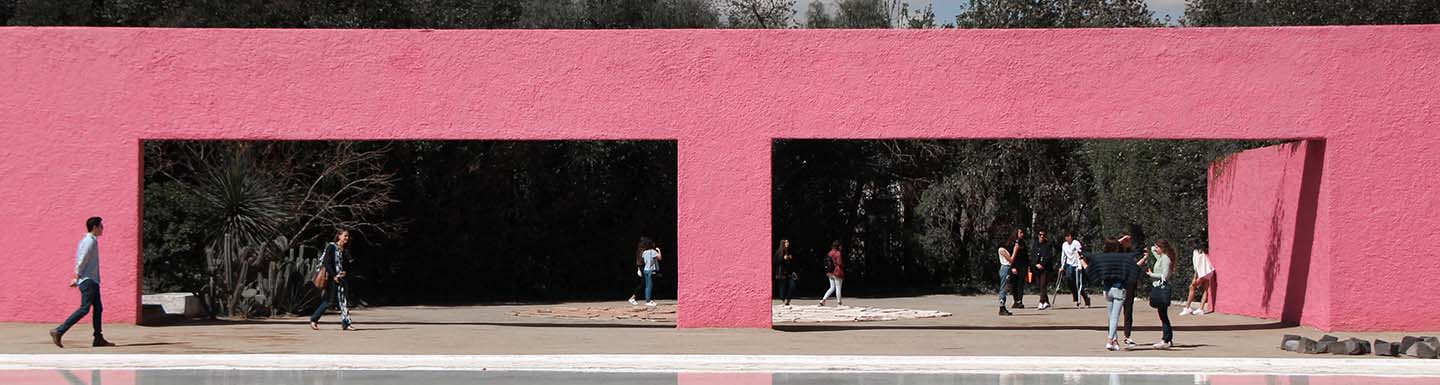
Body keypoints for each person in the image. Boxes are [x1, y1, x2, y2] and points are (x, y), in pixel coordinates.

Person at [49, 217, 115, 348]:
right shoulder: (90, 242)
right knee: (85, 308)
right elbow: (82, 259)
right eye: (101, 226)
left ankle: (98, 338)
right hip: (88, 280)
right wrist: (76, 276)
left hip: (92, 280)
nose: (103, 228)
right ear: (95, 227)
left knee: (98, 308)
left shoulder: (87, 240)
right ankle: (59, 330)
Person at [1087, 238, 1142, 351]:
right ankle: (1110, 339)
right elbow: (1135, 259)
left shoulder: (1102, 258)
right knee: (1115, 316)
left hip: (1107, 289)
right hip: (1118, 288)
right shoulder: (1123, 258)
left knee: (1111, 316)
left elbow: (1090, 256)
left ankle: (1115, 341)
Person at [310, 228, 355, 331]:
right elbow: (327, 262)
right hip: (332, 278)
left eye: (348, 236)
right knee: (328, 301)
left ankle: (346, 323)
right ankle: (314, 319)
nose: (347, 238)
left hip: (342, 278)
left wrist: (346, 272)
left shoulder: (346, 249)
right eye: (345, 236)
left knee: (343, 301)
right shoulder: (331, 247)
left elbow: (349, 264)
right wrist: (334, 275)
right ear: (339, 236)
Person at [1147, 239, 1178, 349]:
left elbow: (1165, 276)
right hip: (1159, 287)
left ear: (1162, 248)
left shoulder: (1165, 259)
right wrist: (1154, 248)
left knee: (1164, 316)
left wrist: (1152, 274)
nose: (1155, 249)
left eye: (1157, 247)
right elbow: (1153, 251)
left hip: (1162, 288)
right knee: (1163, 316)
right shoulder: (1161, 257)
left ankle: (1166, 339)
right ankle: (1168, 338)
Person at [1181, 244, 1215, 315]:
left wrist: (1194, 278)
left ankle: (1187, 308)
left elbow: (1196, 267)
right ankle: (1201, 309)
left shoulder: (1196, 252)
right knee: (1205, 289)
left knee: (1192, 287)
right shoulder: (1203, 252)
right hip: (1208, 271)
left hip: (1203, 273)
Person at [997, 229, 1024, 316]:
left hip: (1006, 268)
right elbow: (1011, 260)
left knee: (1006, 288)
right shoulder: (1002, 250)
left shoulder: (1005, 249)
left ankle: (1003, 306)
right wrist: (1015, 250)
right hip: (1005, 268)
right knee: (1003, 288)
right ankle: (1001, 306)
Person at [1061, 232, 1090, 308]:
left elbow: (1080, 254)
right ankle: (1076, 295)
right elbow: (1063, 256)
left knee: (1079, 283)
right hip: (1069, 264)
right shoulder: (1064, 245)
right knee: (1068, 279)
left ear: (1071, 236)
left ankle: (1086, 298)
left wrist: (1080, 265)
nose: (1068, 238)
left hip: (1077, 264)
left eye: (1069, 236)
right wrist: (1062, 266)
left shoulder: (1076, 243)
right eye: (1066, 237)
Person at [1031, 231, 1057, 310]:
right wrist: (1035, 264)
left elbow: (1048, 256)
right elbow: (1033, 255)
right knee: (1039, 285)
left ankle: (1041, 301)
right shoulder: (1035, 244)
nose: (1041, 236)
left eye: (1043, 235)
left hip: (1045, 268)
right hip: (1037, 268)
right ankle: (1046, 301)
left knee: (1043, 284)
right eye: (1040, 235)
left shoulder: (1048, 245)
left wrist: (1042, 264)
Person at [1009, 229, 1030, 310]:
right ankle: (1015, 300)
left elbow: (1026, 255)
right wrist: (1012, 267)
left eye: (1022, 232)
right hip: (1015, 266)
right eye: (1020, 233)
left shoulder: (1023, 243)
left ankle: (1019, 301)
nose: (1022, 234)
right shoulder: (1012, 243)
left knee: (1021, 284)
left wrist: (1028, 266)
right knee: (1014, 284)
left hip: (1023, 267)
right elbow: (1010, 256)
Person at [819, 240, 844, 307]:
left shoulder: (830, 253)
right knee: (838, 288)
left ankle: (823, 300)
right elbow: (839, 263)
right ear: (838, 246)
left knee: (832, 287)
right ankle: (839, 303)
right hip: (837, 272)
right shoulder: (838, 253)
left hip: (830, 272)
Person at [775, 239, 798, 306]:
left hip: (789, 272)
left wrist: (793, 271)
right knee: (782, 287)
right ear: (783, 243)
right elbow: (776, 262)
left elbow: (791, 263)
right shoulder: (779, 252)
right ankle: (783, 300)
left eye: (788, 242)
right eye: (786, 242)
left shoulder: (789, 251)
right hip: (781, 273)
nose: (788, 243)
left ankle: (788, 299)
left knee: (792, 286)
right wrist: (782, 259)